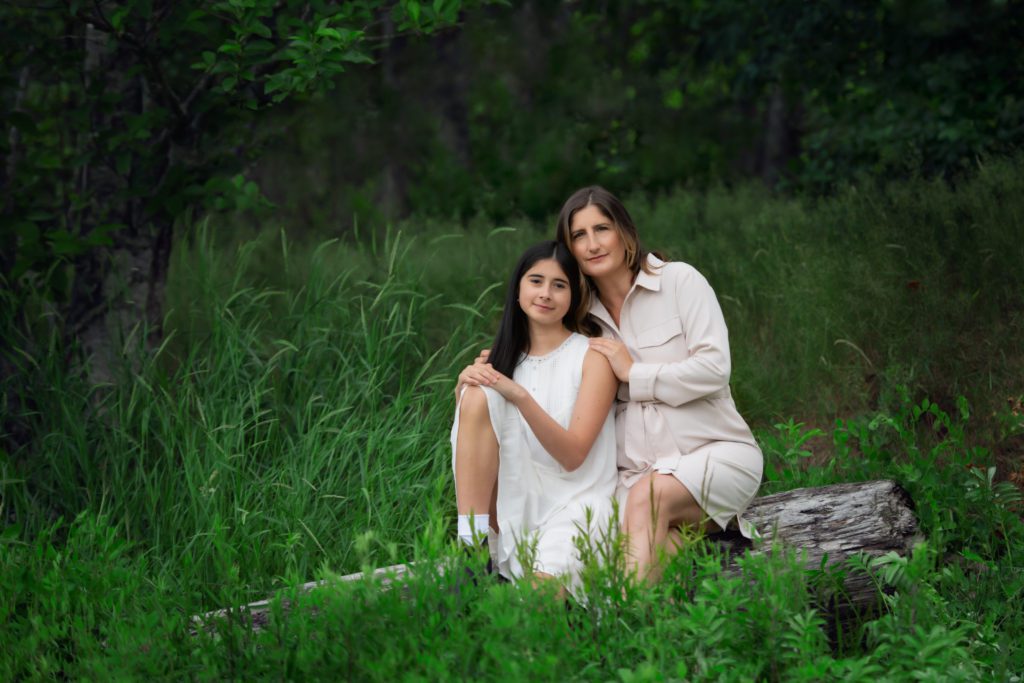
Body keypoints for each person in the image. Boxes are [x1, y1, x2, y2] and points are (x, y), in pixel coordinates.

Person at [553, 186, 763, 582]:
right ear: (569, 249)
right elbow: (541, 369)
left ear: (625, 233)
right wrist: (487, 371)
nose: (593, 244)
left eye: (602, 228)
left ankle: (626, 633)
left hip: (717, 455)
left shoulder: (679, 282)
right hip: (629, 480)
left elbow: (715, 368)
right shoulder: (581, 321)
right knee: (613, 554)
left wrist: (635, 374)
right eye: (579, 235)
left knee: (649, 500)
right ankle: (650, 631)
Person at [451, 240, 619, 591]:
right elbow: (476, 441)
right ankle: (471, 548)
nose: (545, 293)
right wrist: (463, 391)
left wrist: (519, 395)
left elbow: (573, 456)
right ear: (518, 289)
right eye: (536, 281)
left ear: (574, 297)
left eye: (559, 285)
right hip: (517, 500)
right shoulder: (498, 361)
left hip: (576, 506)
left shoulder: (592, 356)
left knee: (533, 603)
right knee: (477, 393)